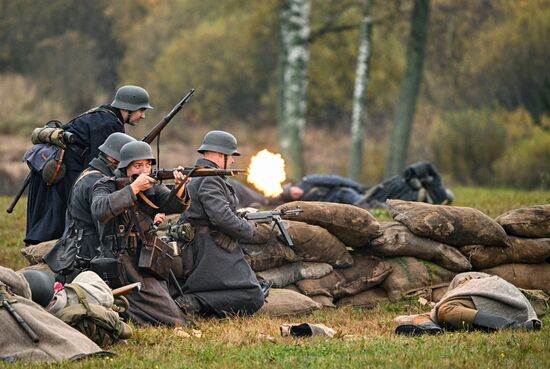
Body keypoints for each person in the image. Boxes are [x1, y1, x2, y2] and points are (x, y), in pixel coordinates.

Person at [25, 85, 152, 245]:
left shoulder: (104, 115)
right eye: (141, 110)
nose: (143, 116)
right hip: (65, 173)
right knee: (58, 222)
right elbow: (99, 168)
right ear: (128, 108)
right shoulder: (109, 125)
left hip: (61, 169)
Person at [90, 141, 191, 326]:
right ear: (125, 167)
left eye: (148, 165)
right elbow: (100, 210)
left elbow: (173, 205)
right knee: (172, 318)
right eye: (138, 166)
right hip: (120, 263)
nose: (145, 170)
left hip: (145, 259)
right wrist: (134, 188)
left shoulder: (151, 187)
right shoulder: (106, 185)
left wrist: (180, 186)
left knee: (173, 313)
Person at [175, 130, 264, 317]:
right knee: (253, 295)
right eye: (231, 156)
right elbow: (220, 217)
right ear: (220, 155)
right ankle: (195, 303)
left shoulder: (200, 175)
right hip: (211, 249)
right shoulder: (211, 178)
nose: (232, 161)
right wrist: (248, 229)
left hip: (205, 247)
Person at [43, 132, 136, 282]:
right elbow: (103, 225)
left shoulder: (92, 173)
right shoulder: (95, 180)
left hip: (80, 245)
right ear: (113, 159)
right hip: (86, 252)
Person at [395, 272, 542, 336]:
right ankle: (431, 329)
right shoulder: (456, 294)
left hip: (487, 293)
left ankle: (515, 327)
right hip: (471, 300)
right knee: (435, 313)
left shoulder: (475, 280)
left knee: (445, 310)